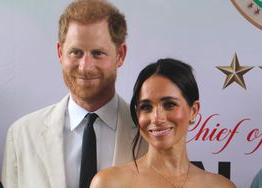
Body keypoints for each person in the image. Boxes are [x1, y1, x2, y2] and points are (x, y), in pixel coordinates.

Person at [1, 0, 147, 188]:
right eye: (76, 52)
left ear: (120, 54)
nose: (85, 67)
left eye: (98, 53)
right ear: (60, 53)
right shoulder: (21, 135)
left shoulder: (150, 136)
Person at [90, 58, 236, 188]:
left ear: (193, 110)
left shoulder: (221, 185)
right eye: (146, 107)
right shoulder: (109, 183)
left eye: (169, 105)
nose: (156, 118)